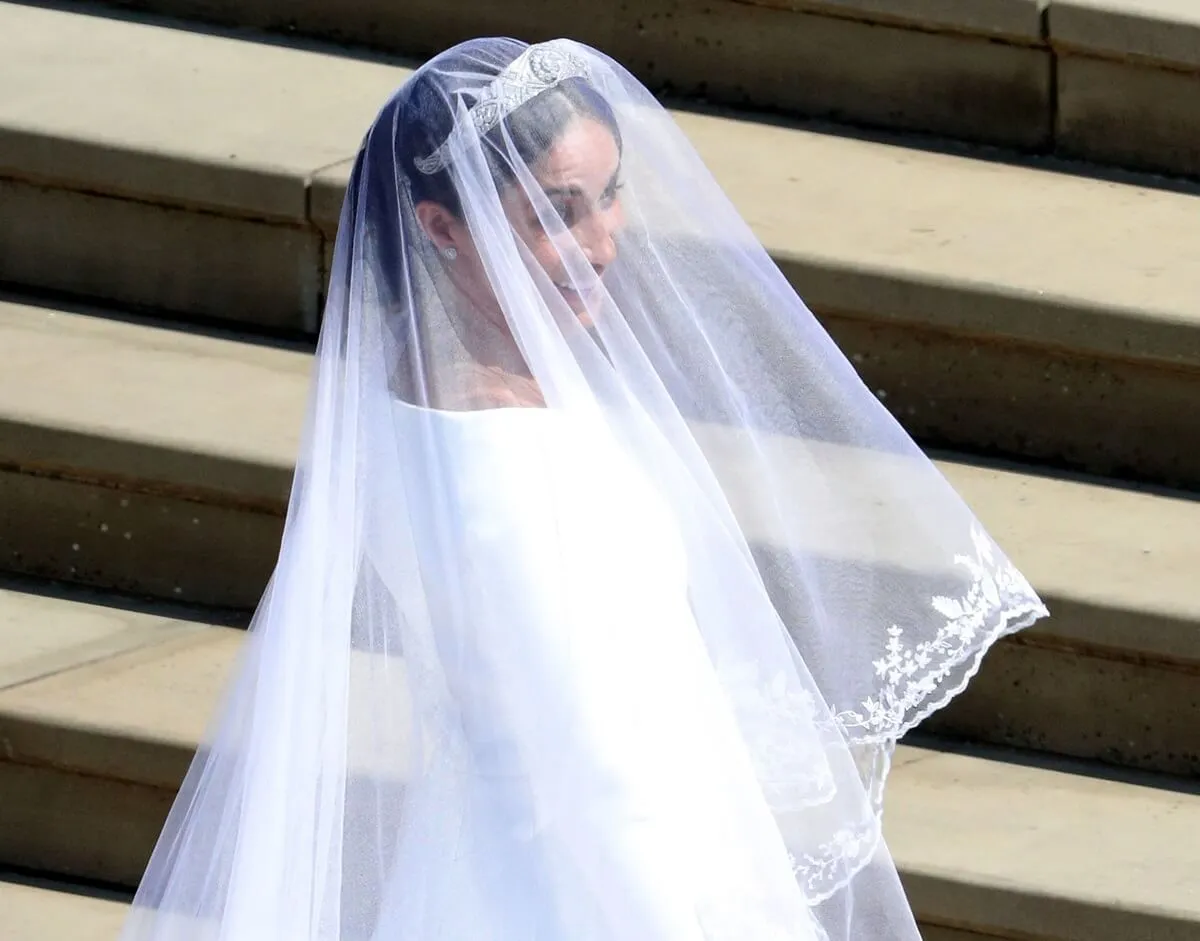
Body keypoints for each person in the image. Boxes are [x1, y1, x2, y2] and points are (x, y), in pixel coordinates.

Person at [120, 38, 1047, 941]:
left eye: (609, 196)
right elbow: (598, 777)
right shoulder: (498, 464)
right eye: (554, 212)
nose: (601, 243)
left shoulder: (433, 383)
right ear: (443, 226)